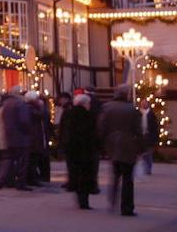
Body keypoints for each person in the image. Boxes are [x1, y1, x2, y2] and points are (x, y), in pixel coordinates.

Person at [98, 87, 141, 217]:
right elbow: (137, 130)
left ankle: (112, 199)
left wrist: (102, 143)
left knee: (115, 174)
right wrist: (140, 145)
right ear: (126, 95)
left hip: (112, 144)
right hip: (128, 144)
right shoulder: (132, 109)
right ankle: (127, 207)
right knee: (128, 178)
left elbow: (101, 126)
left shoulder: (106, 107)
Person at [59, 92, 96, 210]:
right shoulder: (88, 115)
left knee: (75, 173)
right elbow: (92, 134)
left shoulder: (68, 113)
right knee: (84, 175)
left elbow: (62, 130)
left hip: (71, 149)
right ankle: (84, 201)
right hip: (85, 150)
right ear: (85, 104)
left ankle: (78, 195)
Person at [0, 85, 32, 191]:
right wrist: (28, 131)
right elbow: (24, 121)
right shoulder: (20, 103)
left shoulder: (5, 104)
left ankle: (1, 180)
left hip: (9, 136)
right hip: (21, 137)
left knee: (9, 159)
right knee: (22, 161)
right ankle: (20, 182)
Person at [26, 91, 50, 186]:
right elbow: (41, 115)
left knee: (34, 159)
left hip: (35, 137)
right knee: (32, 159)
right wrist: (42, 106)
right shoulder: (30, 109)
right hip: (33, 138)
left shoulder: (31, 108)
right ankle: (32, 179)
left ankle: (35, 177)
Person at [137, 98, 158, 176]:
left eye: (145, 103)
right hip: (140, 136)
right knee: (142, 153)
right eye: (142, 103)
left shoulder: (151, 114)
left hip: (149, 136)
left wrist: (154, 137)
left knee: (149, 153)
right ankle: (142, 168)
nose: (143, 104)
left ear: (148, 104)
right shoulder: (138, 113)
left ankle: (148, 169)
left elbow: (155, 127)